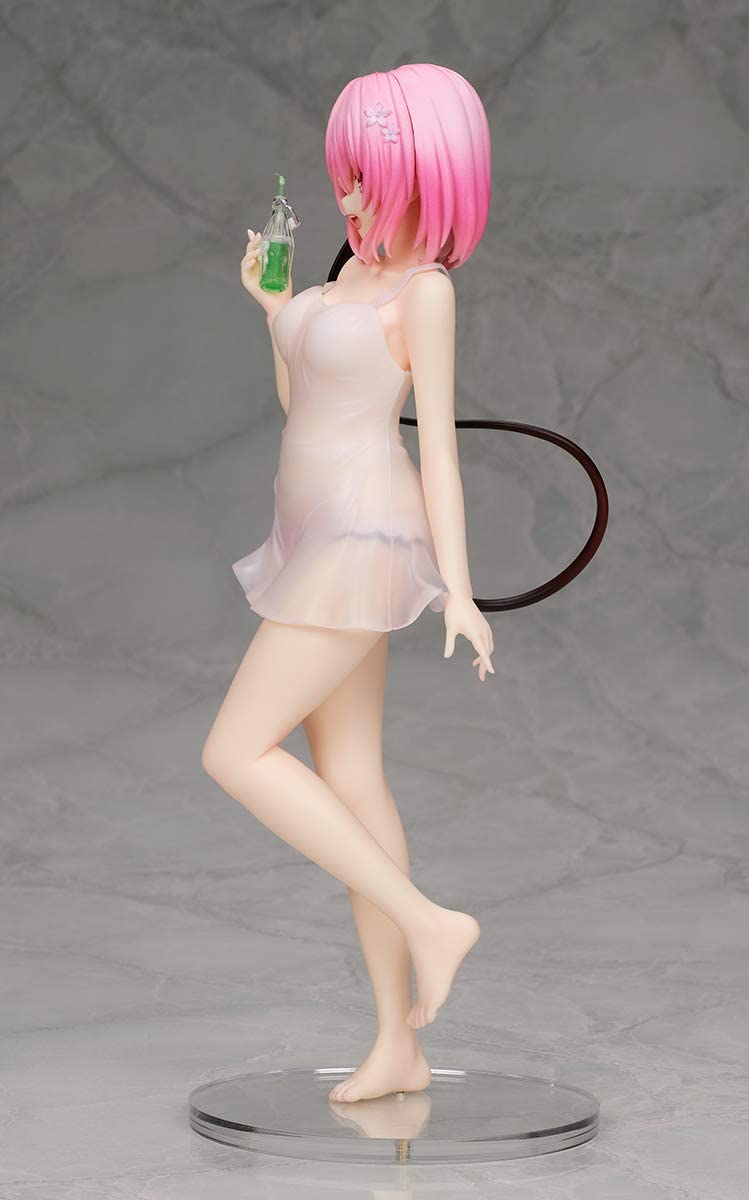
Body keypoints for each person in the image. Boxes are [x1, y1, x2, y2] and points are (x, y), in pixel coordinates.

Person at [201, 64, 494, 1103]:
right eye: (345, 175)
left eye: (369, 173)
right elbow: (306, 404)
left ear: (426, 173)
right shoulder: (345, 281)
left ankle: (431, 923)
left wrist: (459, 589)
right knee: (355, 779)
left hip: (361, 536)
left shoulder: (425, 291)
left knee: (235, 752)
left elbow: (440, 446)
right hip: (310, 532)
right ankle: (395, 1045)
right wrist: (274, 308)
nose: (351, 195)